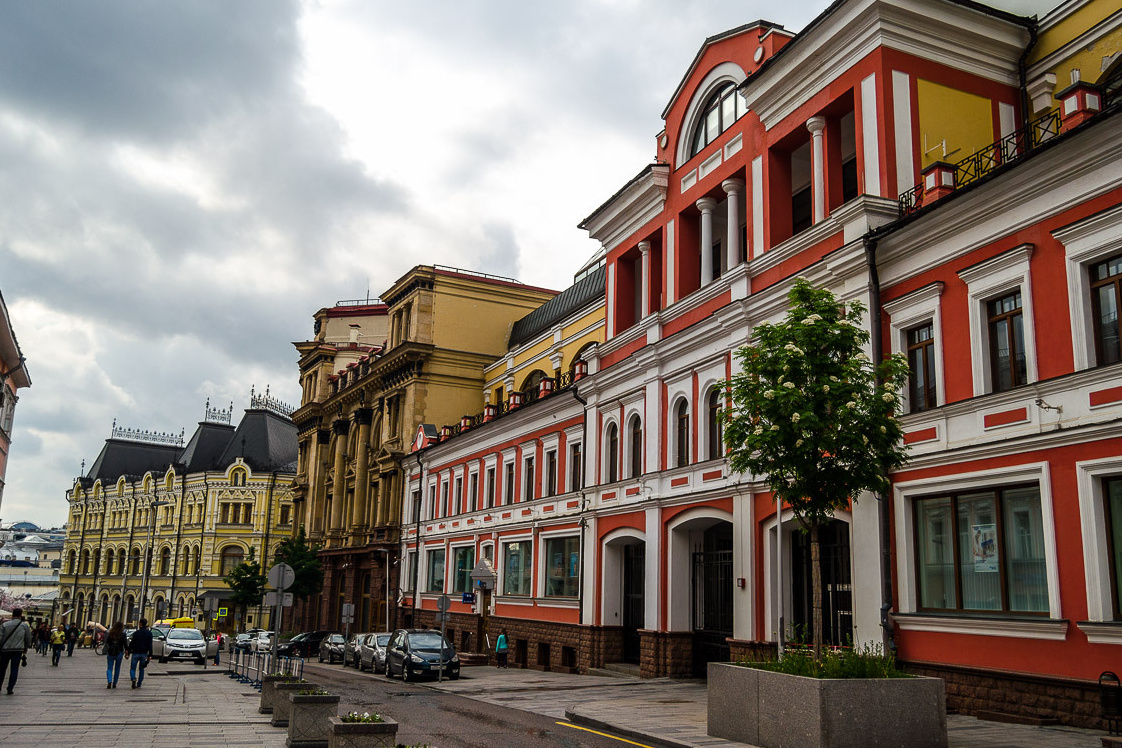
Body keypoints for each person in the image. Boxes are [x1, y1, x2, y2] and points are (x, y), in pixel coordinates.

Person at [0, 608, 34, 695]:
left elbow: (0, 637)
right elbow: (28, 638)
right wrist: (25, 648)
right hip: (18, 650)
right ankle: (10, 688)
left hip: (5, 650)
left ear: (12, 615)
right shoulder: (24, 625)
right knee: (14, 669)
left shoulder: (5, 625)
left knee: (2, 669)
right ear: (21, 615)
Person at [127, 618, 153, 689]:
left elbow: (132, 643)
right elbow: (150, 645)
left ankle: (133, 678)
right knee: (141, 669)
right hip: (144, 653)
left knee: (132, 668)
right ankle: (139, 683)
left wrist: (128, 652)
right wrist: (150, 654)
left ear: (140, 624)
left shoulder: (136, 633)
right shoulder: (149, 633)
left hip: (135, 653)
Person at [103, 621, 127, 688]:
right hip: (119, 653)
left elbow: (107, 642)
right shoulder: (122, 634)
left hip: (110, 652)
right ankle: (115, 683)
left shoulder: (110, 633)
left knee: (109, 668)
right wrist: (127, 651)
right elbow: (125, 643)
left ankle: (109, 681)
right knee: (117, 668)